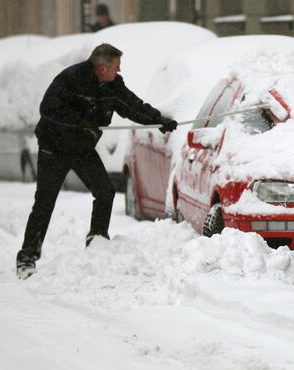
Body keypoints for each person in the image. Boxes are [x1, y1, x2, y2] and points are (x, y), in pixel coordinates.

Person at [16, 43, 177, 279]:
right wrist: (81, 122)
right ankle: (26, 259)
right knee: (45, 202)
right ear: (102, 68)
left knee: (105, 191)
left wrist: (158, 120)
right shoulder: (70, 79)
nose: (119, 71)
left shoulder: (112, 85)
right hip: (54, 147)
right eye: (117, 67)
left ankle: (97, 242)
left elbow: (131, 106)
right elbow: (48, 109)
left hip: (81, 148)